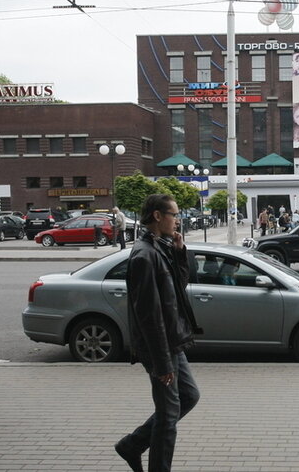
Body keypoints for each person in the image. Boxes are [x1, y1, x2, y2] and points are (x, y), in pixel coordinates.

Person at [116, 194, 201, 472]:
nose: (177, 220)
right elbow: (149, 317)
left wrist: (179, 252)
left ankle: (132, 444)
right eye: (174, 214)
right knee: (167, 418)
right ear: (157, 216)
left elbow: (178, 289)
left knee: (189, 397)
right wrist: (162, 362)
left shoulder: (160, 247)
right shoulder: (144, 255)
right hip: (161, 347)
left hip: (173, 341)